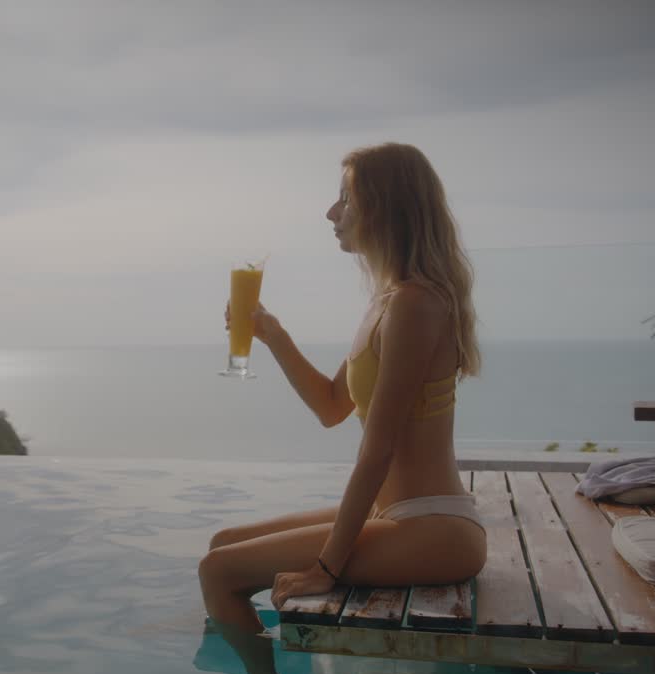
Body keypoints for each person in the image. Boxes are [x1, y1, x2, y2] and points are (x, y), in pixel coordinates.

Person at [199, 142, 487, 640]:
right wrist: (274, 335)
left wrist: (326, 568)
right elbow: (332, 406)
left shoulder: (415, 305)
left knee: (218, 571)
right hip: (396, 515)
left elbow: (378, 451)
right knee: (222, 544)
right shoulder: (389, 301)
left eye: (346, 200)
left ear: (385, 209)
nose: (331, 213)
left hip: (434, 528)